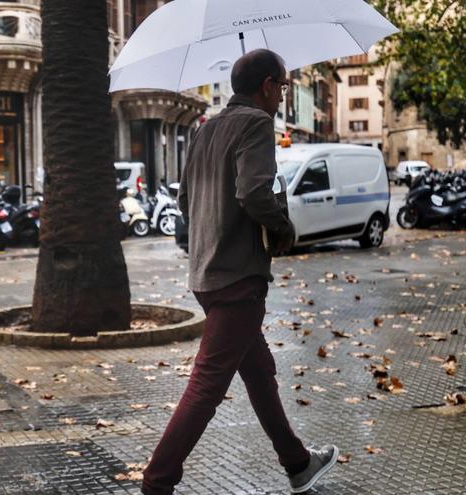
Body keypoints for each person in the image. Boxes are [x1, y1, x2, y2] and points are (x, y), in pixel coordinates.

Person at [141, 49, 338, 495]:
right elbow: (252, 192)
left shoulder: (204, 131)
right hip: (238, 277)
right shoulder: (256, 124)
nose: (284, 94)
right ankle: (157, 482)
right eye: (283, 85)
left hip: (206, 274)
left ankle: (298, 462)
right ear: (267, 85)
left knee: (259, 371)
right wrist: (282, 228)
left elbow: (185, 201)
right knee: (207, 387)